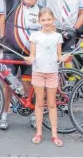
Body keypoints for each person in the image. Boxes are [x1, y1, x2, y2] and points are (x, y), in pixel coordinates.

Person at [0, 0, 42, 130]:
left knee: (30, 85)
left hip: (30, 55)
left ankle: (33, 114)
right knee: (7, 86)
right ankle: (4, 115)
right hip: (10, 51)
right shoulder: (13, 1)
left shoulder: (41, 10)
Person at [25, 8, 65, 147]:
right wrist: (29, 59)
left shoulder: (57, 37)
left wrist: (64, 57)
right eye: (43, 20)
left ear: (53, 19)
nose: (46, 22)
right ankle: (39, 132)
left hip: (52, 73)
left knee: (52, 104)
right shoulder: (35, 36)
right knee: (40, 103)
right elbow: (32, 55)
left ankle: (54, 134)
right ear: (39, 21)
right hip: (38, 73)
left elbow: (59, 56)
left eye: (49, 19)